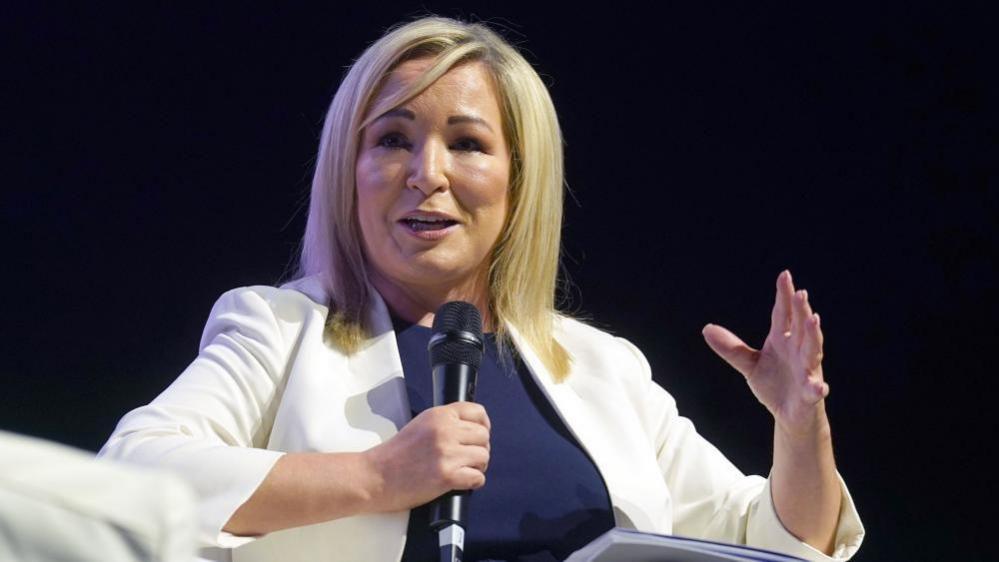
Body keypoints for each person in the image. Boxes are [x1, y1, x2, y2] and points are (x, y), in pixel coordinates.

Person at [99, 16, 865, 562]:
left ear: (517, 181)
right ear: (348, 172)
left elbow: (772, 542)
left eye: (465, 143)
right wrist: (375, 476)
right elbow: (131, 472)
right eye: (392, 139)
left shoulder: (601, 367)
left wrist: (801, 431)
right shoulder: (278, 327)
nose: (425, 173)